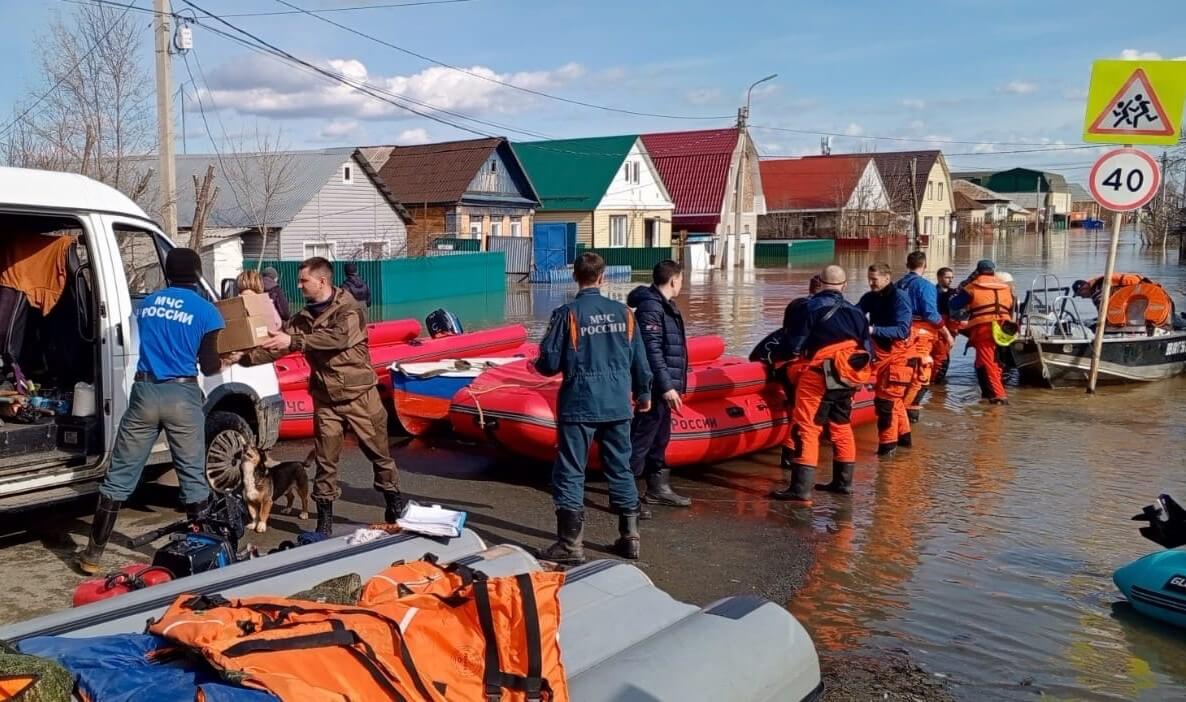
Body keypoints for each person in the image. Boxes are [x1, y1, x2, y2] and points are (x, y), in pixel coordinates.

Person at [78, 248, 231, 574]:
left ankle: (92, 555)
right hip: (182, 395)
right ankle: (202, 555)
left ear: (168, 271)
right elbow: (209, 365)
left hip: (144, 393)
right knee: (192, 477)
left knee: (120, 475)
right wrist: (228, 358)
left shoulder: (147, 305)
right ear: (197, 272)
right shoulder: (207, 311)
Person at [237, 257, 403, 534]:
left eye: (304, 281)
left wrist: (295, 341)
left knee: (380, 455)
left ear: (322, 281)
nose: (299, 286)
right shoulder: (303, 318)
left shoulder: (349, 309)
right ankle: (324, 521)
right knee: (325, 463)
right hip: (326, 400)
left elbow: (337, 339)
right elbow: (279, 346)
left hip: (360, 396)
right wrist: (242, 357)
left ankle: (394, 507)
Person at [535, 253, 653, 564]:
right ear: (603, 278)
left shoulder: (567, 314)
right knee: (620, 468)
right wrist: (643, 393)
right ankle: (630, 538)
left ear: (576, 277)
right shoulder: (626, 314)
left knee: (571, 471)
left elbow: (548, 364)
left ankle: (571, 546)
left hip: (580, 402)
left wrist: (539, 359)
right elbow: (640, 359)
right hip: (617, 402)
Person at [770, 265, 871, 503]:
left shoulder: (809, 307)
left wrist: (779, 362)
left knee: (807, 428)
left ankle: (800, 489)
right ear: (844, 285)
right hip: (848, 376)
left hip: (818, 375)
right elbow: (867, 348)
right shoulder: (857, 313)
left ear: (820, 283)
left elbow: (793, 345)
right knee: (841, 426)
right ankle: (843, 483)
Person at [628, 260, 692, 510]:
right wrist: (666, 386)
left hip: (663, 386)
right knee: (641, 439)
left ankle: (658, 488)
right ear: (674, 280)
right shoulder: (651, 308)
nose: (681, 285)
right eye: (681, 280)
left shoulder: (666, 307)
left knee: (660, 438)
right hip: (653, 387)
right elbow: (652, 351)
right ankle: (626, 495)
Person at [859, 262, 914, 456]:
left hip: (896, 355)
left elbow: (901, 330)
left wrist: (872, 329)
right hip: (880, 352)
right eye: (869, 279)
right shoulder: (870, 297)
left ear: (887, 278)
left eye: (874, 280)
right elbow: (856, 314)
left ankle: (887, 449)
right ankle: (905, 441)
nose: (871, 283)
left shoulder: (899, 298)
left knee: (886, 404)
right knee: (894, 401)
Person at [894, 252, 954, 423]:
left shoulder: (898, 285)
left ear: (907, 265)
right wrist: (947, 333)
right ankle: (908, 417)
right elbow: (930, 313)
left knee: (902, 374)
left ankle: (899, 411)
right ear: (925, 266)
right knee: (921, 377)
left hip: (900, 333)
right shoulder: (925, 286)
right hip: (920, 335)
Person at [949, 259, 1014, 404]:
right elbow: (1011, 306)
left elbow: (954, 304)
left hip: (985, 328)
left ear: (977, 271)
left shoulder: (973, 286)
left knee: (987, 362)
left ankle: (998, 396)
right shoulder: (1005, 287)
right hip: (1005, 328)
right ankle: (987, 394)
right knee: (991, 362)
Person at [932, 267, 957, 384]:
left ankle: (937, 386)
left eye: (952, 278)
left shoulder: (954, 293)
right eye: (947, 277)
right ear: (939, 278)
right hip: (937, 326)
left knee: (944, 355)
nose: (950, 280)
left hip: (950, 326)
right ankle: (935, 382)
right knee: (940, 357)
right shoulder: (932, 292)